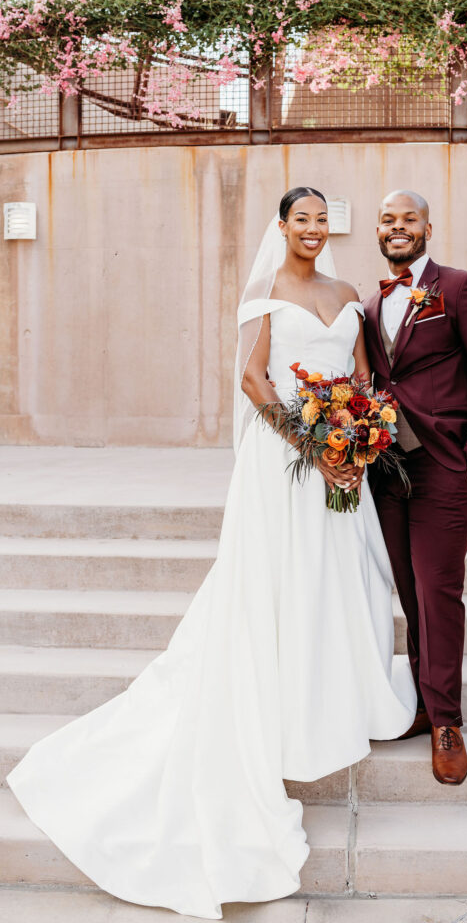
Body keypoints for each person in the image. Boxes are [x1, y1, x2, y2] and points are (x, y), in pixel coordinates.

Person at [7, 187, 416, 920]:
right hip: (283, 463)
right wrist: (314, 447)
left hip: (339, 459)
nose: (313, 230)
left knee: (335, 578)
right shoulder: (264, 293)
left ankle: (334, 695)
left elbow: (361, 378)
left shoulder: (346, 294)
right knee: (278, 582)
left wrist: (354, 441)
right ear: (281, 226)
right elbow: (253, 380)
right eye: (301, 219)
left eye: (322, 220)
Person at [364, 189, 467, 786]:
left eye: (409, 218)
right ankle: (426, 706)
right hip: (388, 469)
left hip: (447, 466)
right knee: (410, 591)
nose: (397, 227)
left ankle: (448, 721)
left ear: (428, 228)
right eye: (388, 219)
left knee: (438, 590)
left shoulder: (461, 286)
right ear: (378, 230)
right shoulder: (371, 303)